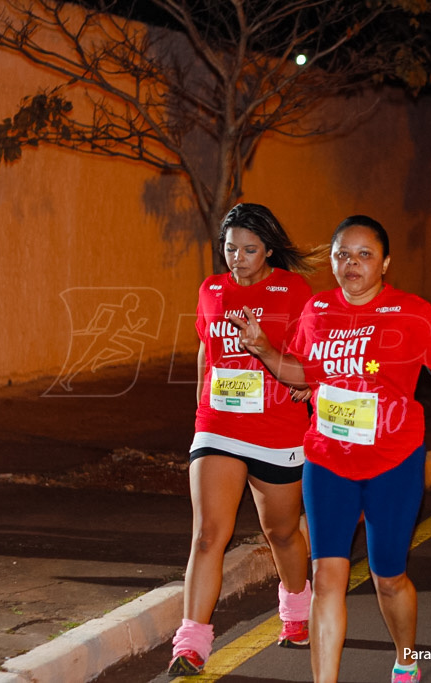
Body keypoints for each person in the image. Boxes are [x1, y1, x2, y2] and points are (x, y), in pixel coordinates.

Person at [228, 215, 431, 683]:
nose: (352, 263)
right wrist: (262, 349)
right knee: (327, 582)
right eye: (343, 254)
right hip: (327, 460)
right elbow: (302, 373)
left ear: (385, 262)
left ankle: (405, 656)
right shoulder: (317, 310)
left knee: (388, 578)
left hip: (393, 462)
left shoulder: (411, 312)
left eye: (364, 255)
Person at [169, 203, 316, 676]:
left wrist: (299, 379)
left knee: (281, 532)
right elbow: (204, 352)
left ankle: (297, 607)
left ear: (269, 249)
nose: (237, 258)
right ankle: (191, 642)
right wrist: (199, 412)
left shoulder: (293, 291)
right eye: (230, 248)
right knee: (209, 534)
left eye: (249, 250)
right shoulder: (211, 290)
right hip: (219, 424)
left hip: (277, 429)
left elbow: (309, 357)